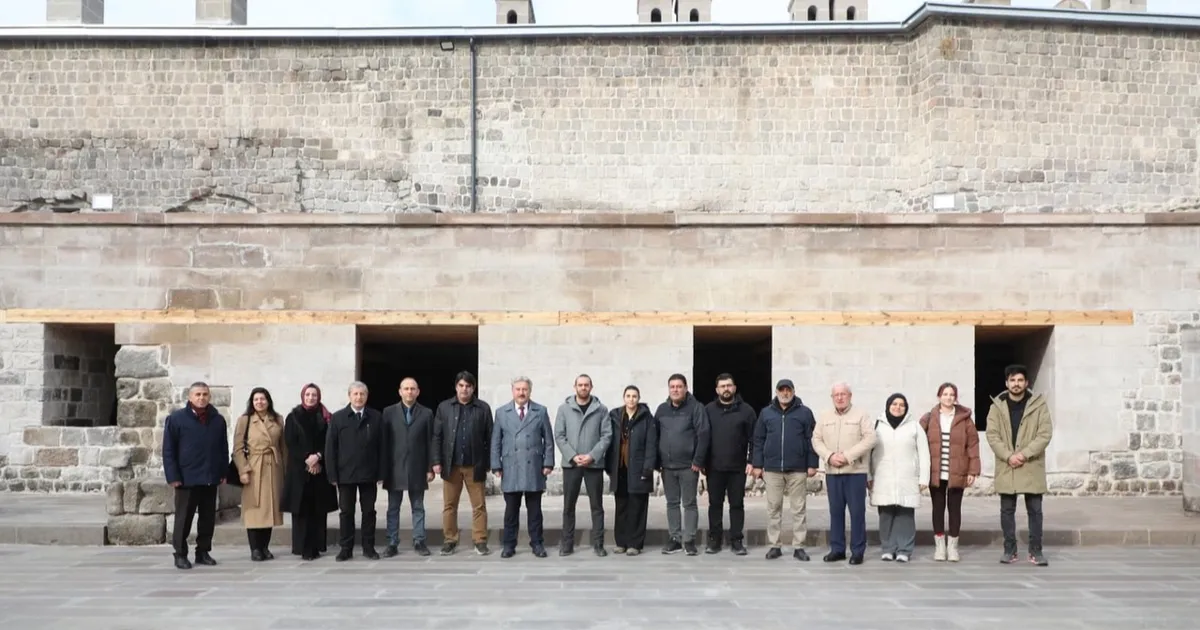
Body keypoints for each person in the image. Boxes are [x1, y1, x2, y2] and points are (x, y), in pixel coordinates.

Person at [985, 364, 1053, 566]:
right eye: (1012, 380)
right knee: (1007, 510)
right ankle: (1010, 550)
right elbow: (992, 435)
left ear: (1027, 383)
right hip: (1008, 466)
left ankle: (1036, 551)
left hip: (1031, 465)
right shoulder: (996, 406)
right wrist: (1008, 456)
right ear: (1006, 383)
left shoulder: (1039, 405)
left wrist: (1023, 454)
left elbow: (1045, 434)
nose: (1016, 384)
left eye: (1020, 380)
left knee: (1035, 510)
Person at [162, 382, 228, 570]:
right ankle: (180, 554)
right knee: (184, 518)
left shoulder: (217, 420)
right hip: (186, 478)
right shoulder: (176, 419)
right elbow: (168, 450)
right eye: (197, 394)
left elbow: (223, 448)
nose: (201, 398)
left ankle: (203, 551)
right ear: (190, 397)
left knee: (208, 518)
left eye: (205, 394)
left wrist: (223, 472)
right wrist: (173, 476)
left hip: (210, 476)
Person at [751, 379, 818, 561]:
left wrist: (812, 464)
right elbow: (758, 440)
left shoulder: (805, 413)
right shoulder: (766, 413)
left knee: (798, 509)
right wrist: (757, 464)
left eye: (788, 390)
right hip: (772, 469)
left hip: (798, 468)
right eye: (782, 390)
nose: (785, 393)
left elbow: (812, 439)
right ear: (777, 392)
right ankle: (774, 545)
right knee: (773, 508)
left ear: (794, 391)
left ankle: (799, 546)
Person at [812, 381, 877, 565]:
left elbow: (870, 438)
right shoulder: (824, 416)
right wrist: (829, 456)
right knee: (836, 512)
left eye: (843, 394)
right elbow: (816, 440)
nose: (840, 398)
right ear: (832, 397)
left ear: (850, 396)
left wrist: (848, 456)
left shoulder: (861, 414)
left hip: (855, 471)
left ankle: (857, 551)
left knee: (857, 512)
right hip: (833, 471)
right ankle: (837, 549)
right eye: (836, 395)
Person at [491, 377, 556, 559]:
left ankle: (537, 543)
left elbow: (548, 440)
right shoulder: (502, 412)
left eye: (525, 389)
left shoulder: (540, 411)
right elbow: (496, 441)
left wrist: (548, 463)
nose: (521, 392)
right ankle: (509, 544)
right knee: (511, 510)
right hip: (511, 467)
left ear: (530, 391)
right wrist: (496, 464)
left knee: (535, 510)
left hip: (533, 467)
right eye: (518, 389)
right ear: (512, 390)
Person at [432, 370, 494, 556]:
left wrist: (489, 462)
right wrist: (436, 461)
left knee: (479, 505)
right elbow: (437, 436)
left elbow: (490, 437)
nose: (464, 389)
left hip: (475, 465)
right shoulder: (444, 407)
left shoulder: (483, 408)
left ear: (473, 388)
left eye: (468, 386)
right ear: (456, 387)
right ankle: (450, 540)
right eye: (461, 386)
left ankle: (480, 540)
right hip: (451, 465)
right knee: (450, 506)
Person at [919, 382, 980, 562]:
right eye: (945, 394)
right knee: (938, 509)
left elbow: (973, 445)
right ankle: (939, 547)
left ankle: (953, 547)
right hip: (936, 472)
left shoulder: (965, 419)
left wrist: (973, 470)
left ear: (956, 397)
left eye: (952, 394)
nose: (948, 397)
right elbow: (917, 439)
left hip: (957, 471)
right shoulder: (930, 417)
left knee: (955, 509)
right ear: (939, 397)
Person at [325, 381, 385, 562]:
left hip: (368, 474)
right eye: (355, 394)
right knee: (346, 512)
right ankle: (346, 548)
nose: (359, 397)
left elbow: (382, 447)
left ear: (367, 396)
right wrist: (332, 475)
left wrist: (381, 473)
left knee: (369, 512)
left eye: (362, 394)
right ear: (349, 396)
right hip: (345, 474)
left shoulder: (376, 417)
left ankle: (369, 547)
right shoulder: (338, 418)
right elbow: (330, 448)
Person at [554, 374, 612, 557]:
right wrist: (573, 456)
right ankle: (567, 544)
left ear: (591, 387)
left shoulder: (601, 409)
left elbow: (606, 436)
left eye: (586, 385)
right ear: (575, 387)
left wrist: (592, 456)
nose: (583, 387)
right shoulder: (564, 409)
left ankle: (598, 544)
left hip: (593, 465)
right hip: (571, 465)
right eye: (580, 385)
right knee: (569, 506)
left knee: (597, 506)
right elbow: (559, 435)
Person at [868, 393, 930, 563]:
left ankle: (904, 549)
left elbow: (924, 453)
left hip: (907, 478)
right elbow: (868, 453)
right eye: (894, 404)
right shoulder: (877, 426)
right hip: (883, 477)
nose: (897, 407)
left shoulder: (914, 426)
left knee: (905, 515)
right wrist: (868, 475)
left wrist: (924, 478)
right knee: (886, 515)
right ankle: (888, 548)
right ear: (888, 406)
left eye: (901, 404)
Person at [653, 373, 711, 556]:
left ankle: (690, 540)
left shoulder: (696, 408)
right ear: (669, 389)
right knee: (671, 503)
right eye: (672, 387)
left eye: (679, 386)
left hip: (688, 466)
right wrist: (656, 462)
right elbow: (655, 436)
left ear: (686, 388)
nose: (675, 390)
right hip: (667, 467)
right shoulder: (662, 410)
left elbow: (704, 434)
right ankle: (675, 539)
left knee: (689, 503)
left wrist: (698, 460)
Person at [381, 377, 436, 557]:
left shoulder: (427, 413)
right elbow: (384, 443)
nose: (409, 392)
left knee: (418, 506)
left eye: (413, 389)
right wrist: (383, 470)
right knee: (393, 507)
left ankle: (419, 540)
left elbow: (431, 442)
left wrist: (430, 467)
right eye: (406, 389)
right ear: (400, 391)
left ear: (418, 392)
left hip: (418, 467)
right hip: (394, 467)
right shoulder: (388, 413)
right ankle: (392, 542)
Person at [282, 383, 338, 561]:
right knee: (301, 510)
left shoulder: (327, 417)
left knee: (318, 509)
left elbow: (329, 440)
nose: (311, 398)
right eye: (308, 395)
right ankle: (302, 547)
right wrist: (308, 459)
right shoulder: (293, 417)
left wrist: (318, 457)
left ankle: (317, 545)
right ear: (302, 396)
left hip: (320, 469)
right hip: (300, 469)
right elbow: (290, 442)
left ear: (318, 397)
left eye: (314, 395)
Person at [703, 373, 756, 555]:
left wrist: (751, 461)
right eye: (722, 386)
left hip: (737, 468)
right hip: (714, 467)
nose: (726, 389)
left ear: (734, 388)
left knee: (737, 504)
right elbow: (703, 438)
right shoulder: (708, 410)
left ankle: (736, 541)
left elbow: (754, 439)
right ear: (717, 390)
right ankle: (714, 540)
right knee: (714, 504)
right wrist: (701, 461)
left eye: (729, 385)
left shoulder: (747, 411)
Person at [232, 387, 286, 562]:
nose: (259, 402)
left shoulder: (278, 420)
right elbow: (238, 448)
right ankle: (255, 548)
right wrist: (243, 470)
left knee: (270, 510)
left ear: (268, 401)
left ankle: (265, 546)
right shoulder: (245, 420)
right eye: (256, 400)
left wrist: (285, 470)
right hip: (254, 467)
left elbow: (283, 447)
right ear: (252, 402)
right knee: (254, 509)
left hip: (273, 467)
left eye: (262, 399)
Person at [606, 385, 657, 556]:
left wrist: (648, 468)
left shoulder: (647, 418)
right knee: (621, 507)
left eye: (634, 396)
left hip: (639, 468)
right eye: (628, 396)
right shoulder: (615, 416)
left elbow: (651, 445)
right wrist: (608, 466)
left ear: (639, 398)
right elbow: (610, 442)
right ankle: (621, 542)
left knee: (637, 506)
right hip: (620, 468)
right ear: (624, 398)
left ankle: (635, 543)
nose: (631, 399)